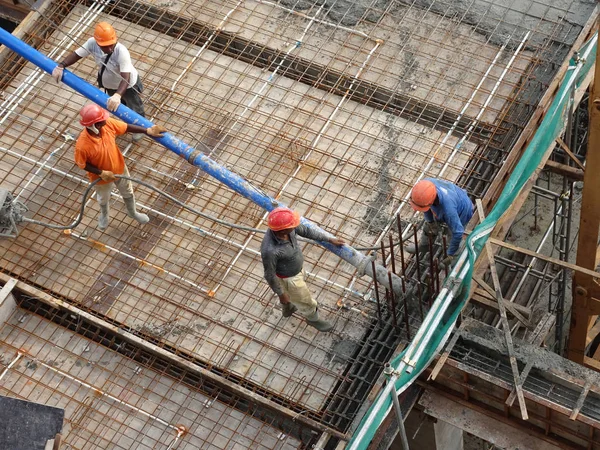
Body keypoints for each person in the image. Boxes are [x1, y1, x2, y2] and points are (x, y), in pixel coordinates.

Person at [75, 103, 165, 230]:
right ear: (94, 125)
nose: (105, 122)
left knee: (128, 191)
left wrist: (147, 130)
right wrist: (101, 172)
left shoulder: (107, 125)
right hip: (101, 178)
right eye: (102, 121)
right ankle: (104, 214)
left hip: (120, 168)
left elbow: (126, 127)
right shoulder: (83, 145)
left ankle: (132, 213)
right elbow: (82, 164)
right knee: (103, 198)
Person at [52, 22, 146, 141]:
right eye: (105, 46)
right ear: (97, 42)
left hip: (126, 86)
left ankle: (140, 125)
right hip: (110, 84)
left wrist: (118, 94)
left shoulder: (121, 51)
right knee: (120, 105)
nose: (109, 48)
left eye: (111, 45)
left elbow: (125, 77)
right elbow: (77, 54)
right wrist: (61, 65)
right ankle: (129, 122)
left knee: (134, 105)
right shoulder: (92, 43)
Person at [261, 207, 345, 332]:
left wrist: (329, 239)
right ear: (283, 230)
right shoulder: (270, 250)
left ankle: (288, 307)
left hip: (296, 270)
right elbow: (269, 275)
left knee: (292, 296)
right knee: (306, 302)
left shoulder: (288, 229)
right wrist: (280, 294)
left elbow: (306, 231)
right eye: (293, 225)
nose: (296, 225)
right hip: (290, 280)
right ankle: (313, 319)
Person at [405, 178, 474, 266]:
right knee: (428, 227)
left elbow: (458, 232)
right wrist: (431, 222)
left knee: (452, 235)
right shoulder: (425, 187)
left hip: (463, 211)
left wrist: (450, 253)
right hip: (443, 201)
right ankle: (424, 246)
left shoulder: (449, 210)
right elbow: (426, 207)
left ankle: (454, 257)